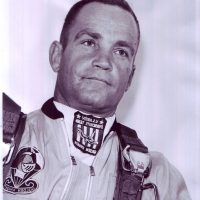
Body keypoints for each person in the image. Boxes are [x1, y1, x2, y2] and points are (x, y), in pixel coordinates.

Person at [3, 0, 191, 199]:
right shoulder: (5, 141)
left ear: (130, 78)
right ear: (57, 56)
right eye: (89, 42)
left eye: (120, 52)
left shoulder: (159, 180)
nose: (103, 61)